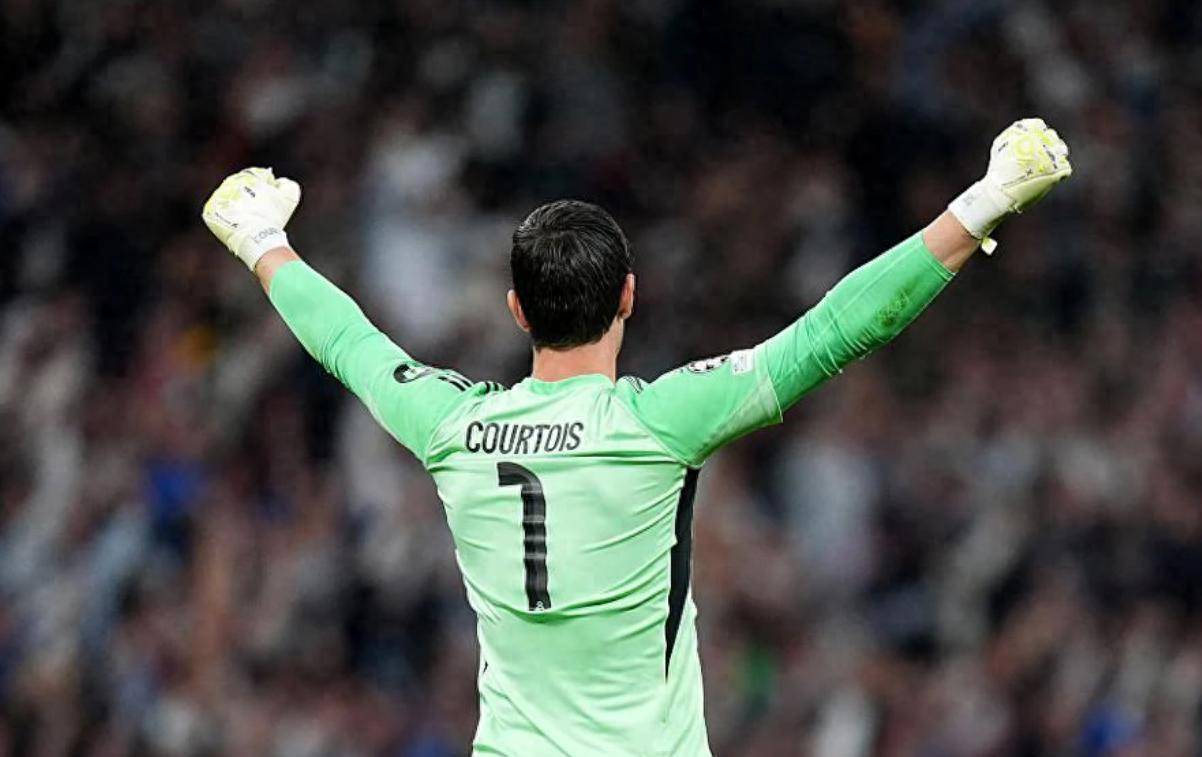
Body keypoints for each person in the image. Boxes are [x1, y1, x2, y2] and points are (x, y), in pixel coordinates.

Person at [202, 118, 1071, 755]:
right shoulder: (660, 425)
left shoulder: (453, 426)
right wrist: (986, 199)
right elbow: (836, 330)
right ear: (628, 296)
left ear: (516, 310)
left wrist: (263, 240)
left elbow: (351, 345)